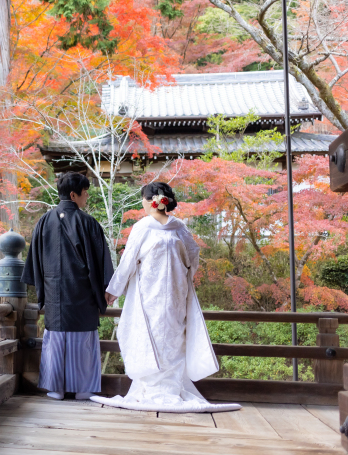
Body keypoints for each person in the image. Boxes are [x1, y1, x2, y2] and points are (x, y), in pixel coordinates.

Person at [91, 182, 240, 413]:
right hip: (175, 292)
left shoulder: (143, 227)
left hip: (150, 292)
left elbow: (128, 260)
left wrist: (114, 290)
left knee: (155, 336)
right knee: (171, 337)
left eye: (143, 199)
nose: (142, 203)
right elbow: (193, 256)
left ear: (151, 201)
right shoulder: (179, 227)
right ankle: (169, 388)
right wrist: (184, 276)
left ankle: (156, 389)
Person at [21, 172, 115, 400]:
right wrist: (107, 288)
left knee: (56, 339)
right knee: (83, 340)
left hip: (54, 293)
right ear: (74, 195)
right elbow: (102, 261)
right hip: (83, 293)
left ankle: (56, 388)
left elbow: (34, 261)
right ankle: (83, 389)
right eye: (85, 193)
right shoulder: (88, 223)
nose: (87, 197)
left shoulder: (44, 221)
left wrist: (42, 287)